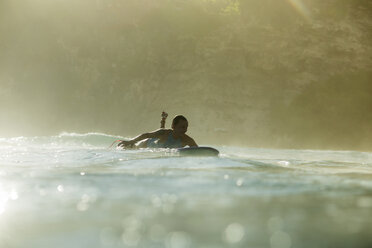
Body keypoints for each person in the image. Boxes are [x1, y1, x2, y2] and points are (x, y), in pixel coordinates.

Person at [118, 114, 198, 149]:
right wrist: (130, 141)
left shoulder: (187, 140)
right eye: (182, 127)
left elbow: (198, 150)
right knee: (130, 148)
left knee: (161, 133)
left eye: (186, 127)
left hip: (158, 146)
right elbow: (146, 135)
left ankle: (163, 120)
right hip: (145, 145)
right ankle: (163, 120)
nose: (185, 130)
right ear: (173, 126)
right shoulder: (165, 132)